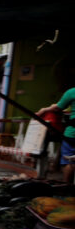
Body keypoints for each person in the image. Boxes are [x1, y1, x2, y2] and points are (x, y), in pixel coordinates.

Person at [37, 55, 75, 184]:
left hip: (72, 133)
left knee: (69, 160)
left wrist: (45, 109)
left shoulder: (71, 92)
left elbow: (58, 108)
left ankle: (68, 187)